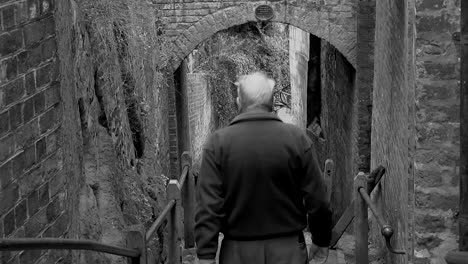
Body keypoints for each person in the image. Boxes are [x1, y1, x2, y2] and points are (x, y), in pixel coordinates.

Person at [195, 72, 332, 264]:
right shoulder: (297, 139)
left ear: (238, 101)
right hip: (289, 252)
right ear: (273, 101)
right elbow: (317, 200)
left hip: (237, 254)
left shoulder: (218, 144)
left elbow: (208, 207)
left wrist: (206, 255)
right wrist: (321, 239)